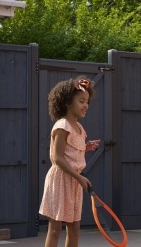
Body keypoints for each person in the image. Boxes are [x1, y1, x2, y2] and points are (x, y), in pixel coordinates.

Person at [40, 77, 101, 247]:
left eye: (87, 101)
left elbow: (71, 150)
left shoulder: (80, 128)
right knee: (55, 229)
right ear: (67, 102)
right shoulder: (62, 125)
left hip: (74, 181)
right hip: (61, 180)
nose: (85, 105)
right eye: (81, 101)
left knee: (74, 228)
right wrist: (80, 177)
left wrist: (85, 147)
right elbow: (57, 158)